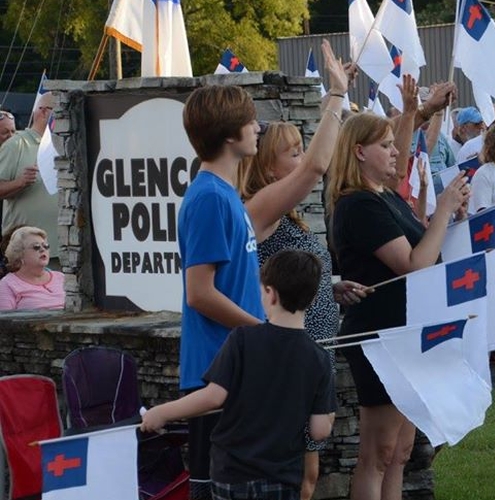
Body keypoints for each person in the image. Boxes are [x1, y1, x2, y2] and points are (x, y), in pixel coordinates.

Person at [236, 40, 363, 500]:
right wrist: (336, 94)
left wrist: (330, 285)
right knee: (296, 473)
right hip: (292, 349)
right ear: (268, 169)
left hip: (315, 344)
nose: (301, 157)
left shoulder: (283, 215)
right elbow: (317, 167)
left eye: (299, 150)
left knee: (308, 468)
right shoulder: (259, 209)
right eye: (291, 152)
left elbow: (287, 272)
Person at [327, 110, 469, 500]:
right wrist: (441, 209)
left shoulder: (386, 194)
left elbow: (425, 244)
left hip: (409, 328)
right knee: (379, 451)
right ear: (359, 152)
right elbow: (412, 264)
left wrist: (450, 219)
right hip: (381, 334)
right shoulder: (357, 204)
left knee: (401, 452)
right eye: (386, 145)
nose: (395, 153)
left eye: (393, 143)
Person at [141, 250, 336, 500]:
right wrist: (329, 415)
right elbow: (319, 430)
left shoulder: (242, 339)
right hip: (281, 477)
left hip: (232, 472)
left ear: (270, 293)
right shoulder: (318, 357)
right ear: (313, 298)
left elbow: (213, 397)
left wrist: (162, 413)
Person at [178, 85, 266, 500]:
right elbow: (200, 293)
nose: (257, 127)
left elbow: (234, 281)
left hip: (235, 366)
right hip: (215, 371)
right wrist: (263, 332)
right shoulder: (210, 197)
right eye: (250, 121)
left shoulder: (225, 193)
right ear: (230, 135)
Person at [0, 94, 57, 258]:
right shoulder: (16, 145)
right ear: (44, 112)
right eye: (60, 110)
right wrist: (20, 182)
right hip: (26, 253)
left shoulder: (64, 143)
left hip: (63, 247)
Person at [0, 226, 64, 311]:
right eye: (36, 247)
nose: (42, 249)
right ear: (19, 254)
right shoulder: (7, 284)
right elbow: (5, 322)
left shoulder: (62, 278)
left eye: (46, 246)